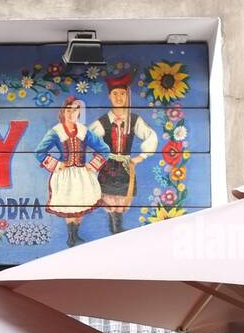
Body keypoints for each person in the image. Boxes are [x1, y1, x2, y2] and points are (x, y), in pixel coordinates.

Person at [34, 96, 109, 247]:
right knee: (69, 206)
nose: (71, 113)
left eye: (75, 110)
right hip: (65, 176)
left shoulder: (83, 131)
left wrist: (92, 165)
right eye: (69, 109)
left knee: (80, 205)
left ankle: (75, 236)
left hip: (81, 175)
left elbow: (104, 149)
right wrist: (56, 164)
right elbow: (39, 152)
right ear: (63, 111)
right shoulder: (56, 132)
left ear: (79, 113)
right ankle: (71, 237)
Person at [91, 69, 158, 233]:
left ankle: (117, 230)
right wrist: (99, 155)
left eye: (122, 93)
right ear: (109, 96)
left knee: (121, 201)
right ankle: (114, 230)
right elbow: (89, 138)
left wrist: (140, 157)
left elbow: (151, 136)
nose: (119, 97)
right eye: (115, 94)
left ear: (127, 95)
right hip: (108, 167)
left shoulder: (134, 120)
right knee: (109, 200)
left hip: (126, 168)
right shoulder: (103, 121)